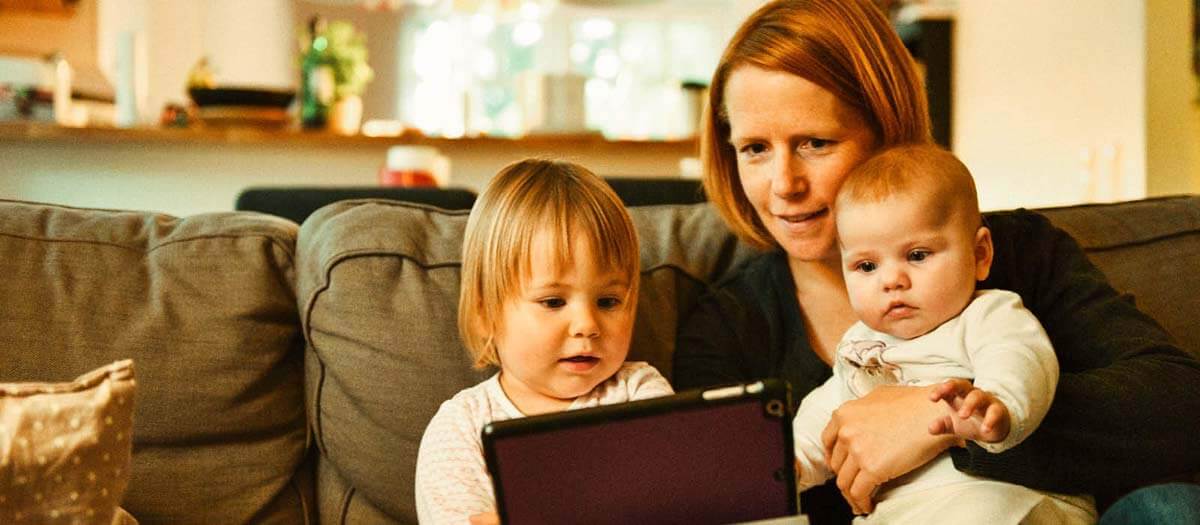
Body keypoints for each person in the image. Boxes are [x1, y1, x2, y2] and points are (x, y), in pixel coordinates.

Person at [672, 0, 1200, 523]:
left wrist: (941, 419)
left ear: (887, 131)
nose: (785, 185)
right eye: (755, 149)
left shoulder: (1016, 253)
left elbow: (1179, 404)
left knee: (1169, 508)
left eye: (815, 142)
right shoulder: (726, 328)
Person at [791, 144, 1093, 523]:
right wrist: (793, 463)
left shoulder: (987, 314)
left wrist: (997, 406)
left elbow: (1020, 358)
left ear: (980, 254)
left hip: (998, 499)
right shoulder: (858, 344)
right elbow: (829, 411)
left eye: (917, 255)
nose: (892, 281)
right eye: (866, 265)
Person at [414, 159, 674, 524]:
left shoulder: (638, 392)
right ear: (485, 313)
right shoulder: (460, 428)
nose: (586, 325)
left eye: (608, 301)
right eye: (553, 302)